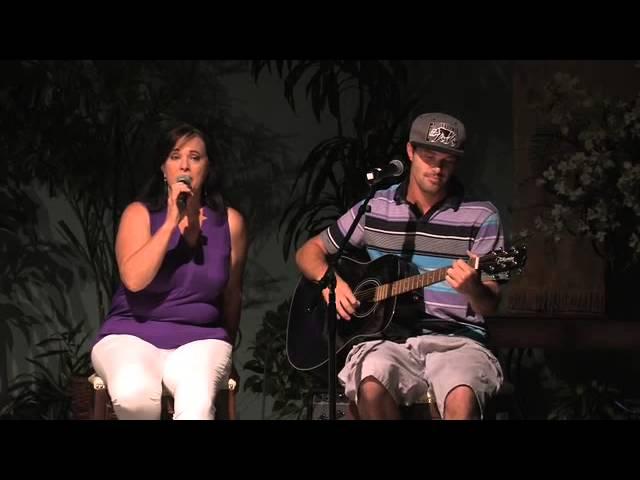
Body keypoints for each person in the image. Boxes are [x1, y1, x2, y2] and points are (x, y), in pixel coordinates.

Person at [295, 113, 504, 420]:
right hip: (387, 340)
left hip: (458, 341)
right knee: (370, 381)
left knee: (462, 394)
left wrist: (473, 287)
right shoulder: (375, 207)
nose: (437, 168)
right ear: (410, 153)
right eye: (429, 157)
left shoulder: (481, 216)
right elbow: (308, 252)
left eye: (447, 161)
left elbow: (490, 304)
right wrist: (333, 282)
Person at [91, 123, 248, 420]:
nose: (184, 165)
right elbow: (135, 281)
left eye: (195, 157)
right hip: (130, 334)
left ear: (208, 168)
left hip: (201, 339)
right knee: (134, 397)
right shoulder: (138, 214)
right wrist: (169, 223)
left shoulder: (230, 223)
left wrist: (227, 349)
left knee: (197, 405)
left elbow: (232, 294)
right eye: (175, 156)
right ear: (164, 167)